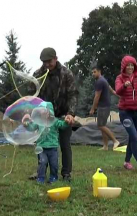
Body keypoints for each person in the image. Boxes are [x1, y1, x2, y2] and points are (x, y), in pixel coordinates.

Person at [33, 47, 78, 182]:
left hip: (63, 115)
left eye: (49, 61)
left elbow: (72, 95)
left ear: (56, 59)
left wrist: (70, 113)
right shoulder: (37, 75)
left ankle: (66, 173)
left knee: (64, 144)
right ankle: (41, 172)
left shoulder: (66, 73)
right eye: (44, 62)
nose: (47, 64)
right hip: (44, 117)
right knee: (42, 143)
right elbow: (33, 96)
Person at [23, 102, 70, 184]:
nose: (42, 112)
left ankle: (53, 177)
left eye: (44, 110)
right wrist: (26, 124)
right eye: (40, 111)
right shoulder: (38, 122)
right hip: (41, 148)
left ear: (49, 111)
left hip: (53, 148)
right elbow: (32, 127)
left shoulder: (54, 121)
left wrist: (66, 122)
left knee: (54, 164)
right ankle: (41, 178)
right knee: (42, 163)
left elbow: (62, 125)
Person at [89, 66, 120, 150]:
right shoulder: (104, 80)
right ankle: (105, 146)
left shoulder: (99, 81)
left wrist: (93, 108)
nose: (93, 74)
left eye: (94, 72)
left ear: (99, 71)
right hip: (106, 106)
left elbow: (97, 96)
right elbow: (112, 90)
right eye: (92, 72)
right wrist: (120, 96)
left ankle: (115, 141)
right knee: (103, 125)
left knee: (100, 125)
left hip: (103, 107)